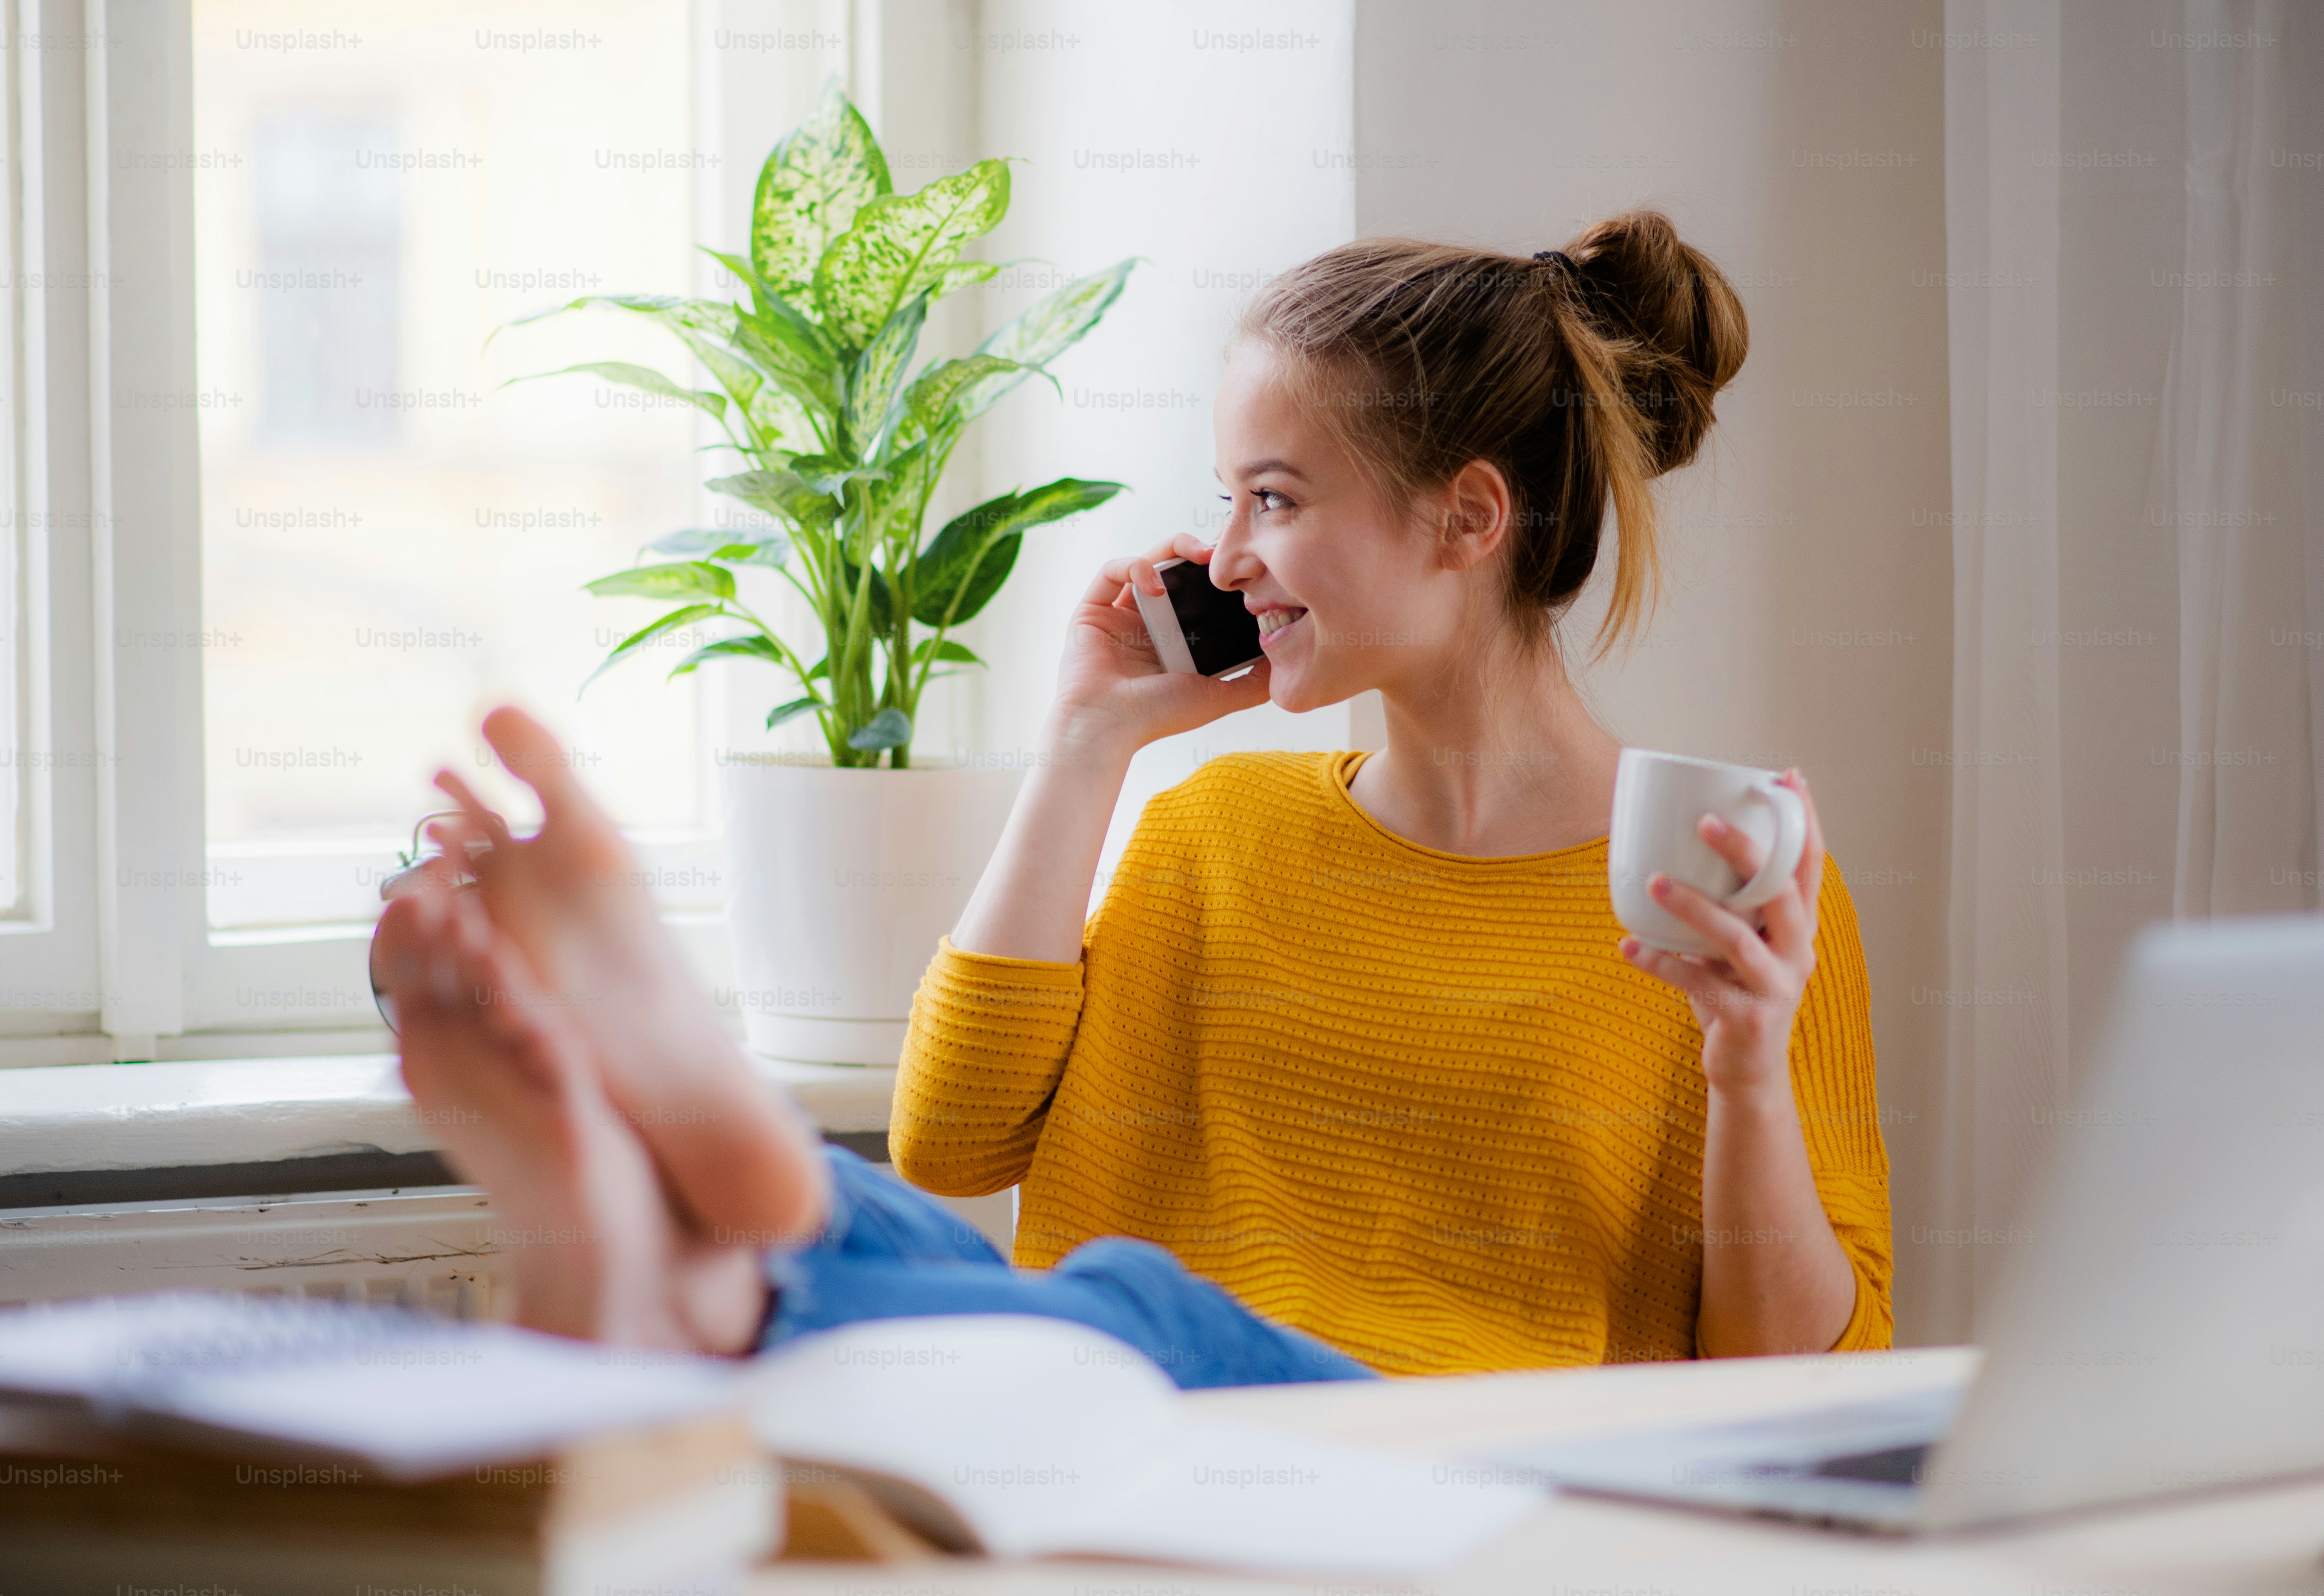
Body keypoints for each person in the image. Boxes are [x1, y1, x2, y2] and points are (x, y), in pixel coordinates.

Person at [379, 208, 1888, 1387]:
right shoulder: (1208, 832)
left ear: (1468, 517)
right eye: (1228, 496)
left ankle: (721, 1197)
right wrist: (1089, 743)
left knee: (1132, 1307)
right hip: (1115, 1426)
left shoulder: (1714, 899)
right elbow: (954, 1143)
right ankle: (703, 1246)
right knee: (988, 1277)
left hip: (1451, 1477)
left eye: (1276, 499)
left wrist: (1746, 1062)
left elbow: (1795, 1381)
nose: (1221, 554)